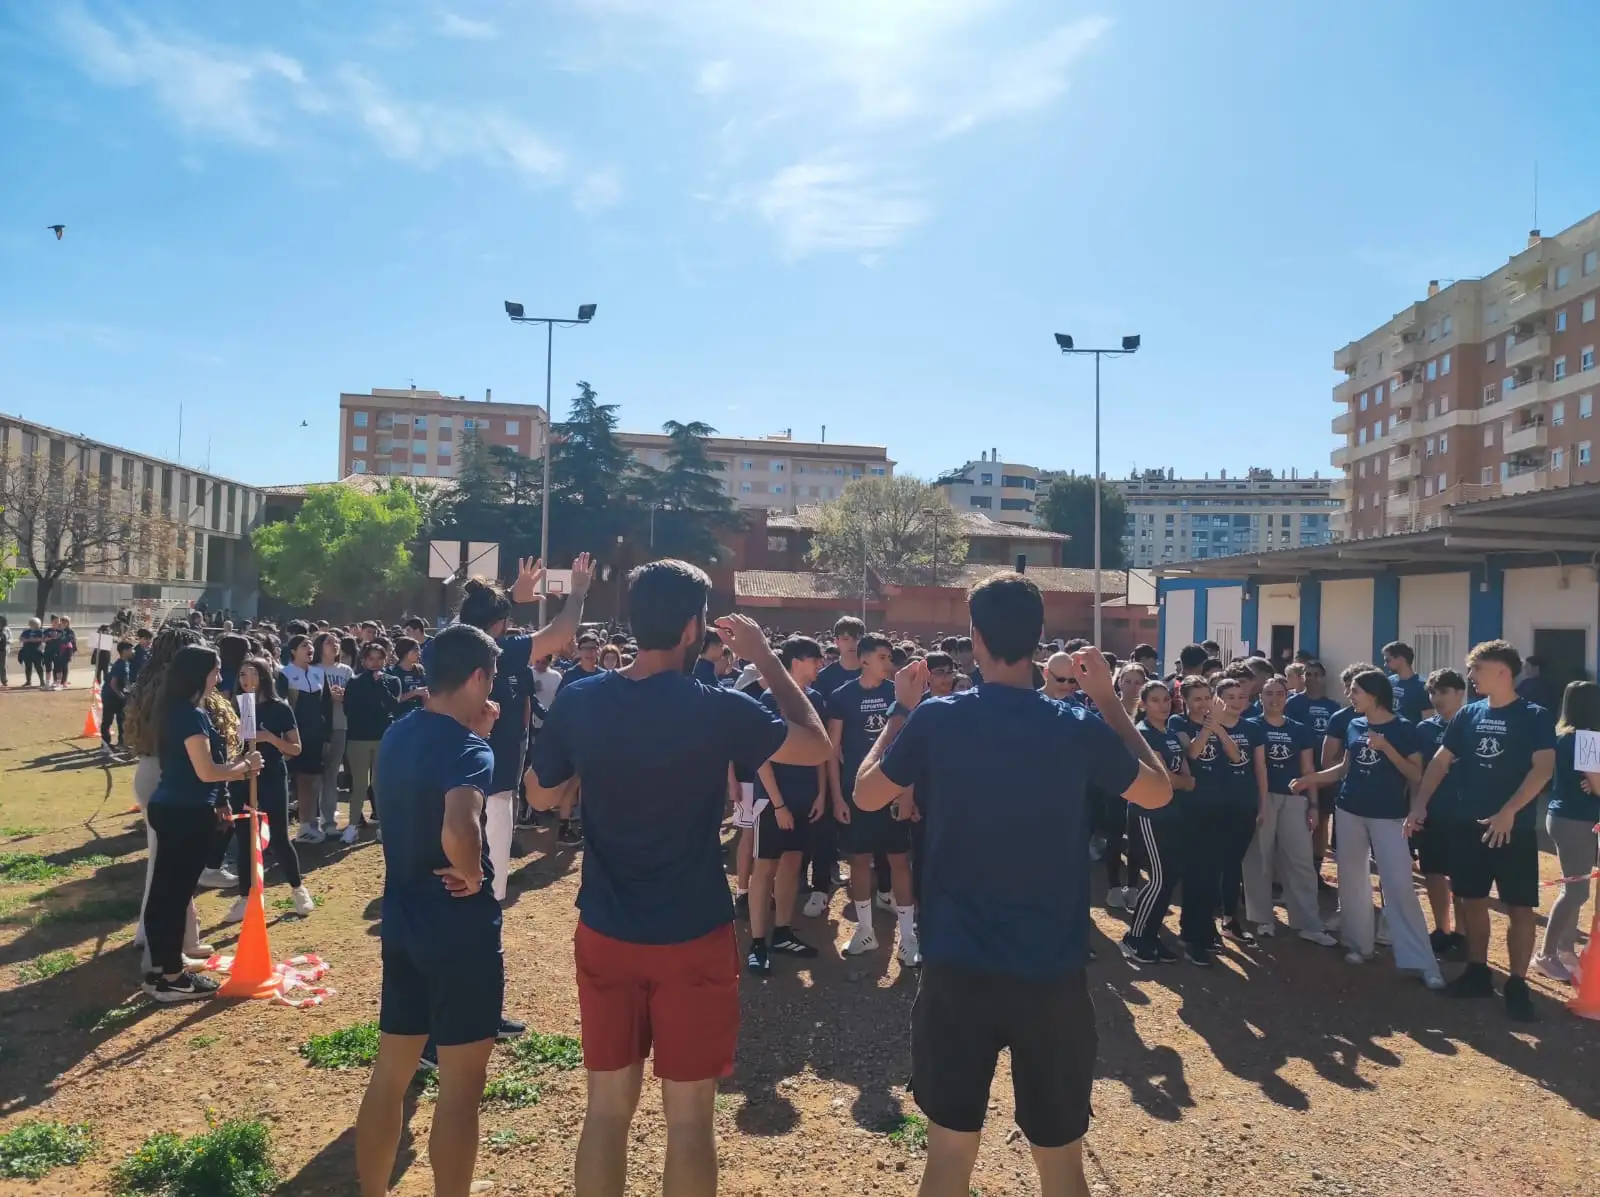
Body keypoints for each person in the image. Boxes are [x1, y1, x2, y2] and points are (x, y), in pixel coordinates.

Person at [852, 573, 1172, 1197]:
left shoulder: (937, 718)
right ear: (1038, 640)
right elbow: (1157, 791)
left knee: (948, 1159)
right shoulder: (1075, 724)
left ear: (975, 637)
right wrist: (1109, 703)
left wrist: (899, 711)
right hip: (1050, 970)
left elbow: (866, 794)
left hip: (957, 967)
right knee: (1062, 1166)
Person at [525, 561, 831, 1197]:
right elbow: (815, 744)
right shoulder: (720, 707)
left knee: (605, 1111)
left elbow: (540, 793)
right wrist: (767, 659)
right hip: (692, 933)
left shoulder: (582, 699)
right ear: (694, 627)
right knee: (689, 1122)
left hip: (606, 928)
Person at [354, 625, 505, 1197]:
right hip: (457, 927)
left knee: (390, 1074)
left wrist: (475, 734)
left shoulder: (398, 732)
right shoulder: (468, 749)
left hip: (402, 918)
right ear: (477, 677)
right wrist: (472, 872)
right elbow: (460, 824)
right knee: (461, 1090)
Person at [1407, 640, 1554, 1020]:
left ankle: (1517, 984)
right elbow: (1440, 762)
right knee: (1471, 898)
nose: (1470, 676)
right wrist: (1420, 804)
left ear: (1502, 672)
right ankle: (1477, 971)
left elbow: (1543, 769)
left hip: (1514, 828)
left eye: (1477, 669)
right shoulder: (1468, 714)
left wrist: (1509, 811)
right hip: (1467, 824)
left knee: (1519, 906)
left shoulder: (1534, 716)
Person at [455, 556, 594, 899]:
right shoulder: (500, 651)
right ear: (499, 624)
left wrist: (509, 599)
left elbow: (467, 622)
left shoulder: (448, 648)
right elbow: (561, 632)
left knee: (458, 877)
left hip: (455, 780)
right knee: (489, 886)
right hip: (495, 781)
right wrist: (578, 592)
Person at [1293, 670, 1442, 988]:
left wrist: (1387, 748)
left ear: (1374, 694)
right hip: (1349, 811)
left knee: (1399, 886)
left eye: (1356, 691)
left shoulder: (1404, 728)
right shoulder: (1354, 724)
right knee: (1351, 881)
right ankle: (1359, 944)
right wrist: (1310, 780)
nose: (1350, 696)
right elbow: (1344, 769)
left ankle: (1423, 963)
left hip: (1388, 815)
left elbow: (1415, 774)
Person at [140, 644, 262, 1001]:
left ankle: (163, 967)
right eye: (215, 671)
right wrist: (245, 767)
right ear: (198, 674)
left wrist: (224, 793)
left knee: (167, 892)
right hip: (185, 812)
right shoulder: (189, 715)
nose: (220, 678)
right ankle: (172, 978)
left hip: (176, 808)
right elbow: (206, 771)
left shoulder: (178, 710)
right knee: (174, 895)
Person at [125, 627, 223, 971]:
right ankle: (163, 952)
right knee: (169, 871)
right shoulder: (178, 698)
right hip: (172, 772)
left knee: (168, 868)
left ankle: (178, 941)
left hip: (157, 768)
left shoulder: (150, 687)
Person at [827, 632, 918, 962]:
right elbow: (831, 750)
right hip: (856, 793)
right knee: (858, 860)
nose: (888, 663)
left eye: (890, 657)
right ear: (863, 659)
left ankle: (908, 938)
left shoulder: (899, 694)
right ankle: (865, 931)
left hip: (892, 792)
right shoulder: (842, 696)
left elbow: (912, 748)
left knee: (899, 862)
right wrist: (837, 798)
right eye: (882, 656)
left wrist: (908, 794)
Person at [747, 636, 829, 973]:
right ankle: (757, 942)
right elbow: (760, 755)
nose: (820, 665)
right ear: (796, 661)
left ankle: (782, 932)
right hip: (772, 799)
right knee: (765, 867)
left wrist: (821, 793)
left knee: (793, 862)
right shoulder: (769, 699)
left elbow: (820, 748)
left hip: (805, 796)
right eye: (815, 659)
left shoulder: (815, 700)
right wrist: (778, 805)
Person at [1243, 676, 1334, 944]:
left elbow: (1308, 770)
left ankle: (1308, 923)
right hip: (1261, 798)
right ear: (1260, 697)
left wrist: (1313, 804)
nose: (1274, 699)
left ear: (1287, 697)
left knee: (1300, 860)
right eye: (1268, 693)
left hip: (1295, 799)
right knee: (1259, 858)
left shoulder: (1299, 729)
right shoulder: (1251, 726)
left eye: (1279, 694)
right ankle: (1262, 919)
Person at [224, 656, 313, 922]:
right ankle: (245, 896)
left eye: (251, 674)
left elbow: (296, 748)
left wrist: (269, 738)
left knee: (279, 836)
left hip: (272, 774)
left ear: (263, 677)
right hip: (242, 776)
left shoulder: (279, 708)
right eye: (242, 675)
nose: (246, 680)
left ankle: (298, 889)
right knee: (244, 837)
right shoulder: (236, 707)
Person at [1535, 680, 1600, 982]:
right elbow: (1597, 785)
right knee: (1576, 891)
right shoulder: (1587, 738)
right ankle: (1546, 954)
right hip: (1576, 820)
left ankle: (1563, 950)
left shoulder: (1562, 735)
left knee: (1574, 888)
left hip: (1565, 817)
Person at [1123, 679, 1192, 963]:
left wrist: (1183, 781)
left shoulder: (1172, 733)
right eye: (1155, 700)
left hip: (1172, 812)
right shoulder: (1143, 735)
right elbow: (1168, 778)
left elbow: (1185, 773)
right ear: (1143, 704)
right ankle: (1134, 938)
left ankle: (1151, 936)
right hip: (1149, 813)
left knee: (1170, 877)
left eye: (1166, 699)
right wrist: (1184, 782)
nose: (1163, 705)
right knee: (1160, 878)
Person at [1414, 669, 1468, 958]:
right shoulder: (1424, 729)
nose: (1436, 698)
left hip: (1465, 814)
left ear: (1459, 693)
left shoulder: (1475, 724)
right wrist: (1415, 808)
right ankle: (1442, 929)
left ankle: (1462, 934)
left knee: (1462, 876)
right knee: (1433, 872)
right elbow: (1417, 774)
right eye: (1432, 692)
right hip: (1432, 811)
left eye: (1443, 692)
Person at [345, 643, 402, 842]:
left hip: (383, 738)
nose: (376, 663)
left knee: (380, 784)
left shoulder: (392, 681)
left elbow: (393, 705)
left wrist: (380, 686)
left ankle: (383, 827)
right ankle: (352, 826)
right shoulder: (354, 682)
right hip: (358, 739)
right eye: (371, 658)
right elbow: (348, 709)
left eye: (380, 658)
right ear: (363, 661)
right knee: (360, 784)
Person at [282, 635, 331, 844]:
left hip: (315, 735)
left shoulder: (319, 673)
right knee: (292, 779)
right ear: (293, 651)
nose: (309, 648)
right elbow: (282, 707)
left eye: (311, 644)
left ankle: (307, 825)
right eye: (304, 645)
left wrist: (326, 735)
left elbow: (326, 706)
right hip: (293, 735)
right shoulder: (284, 673)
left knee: (311, 778)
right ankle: (286, 830)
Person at [314, 632, 354, 839]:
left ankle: (328, 821)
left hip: (340, 725)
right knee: (313, 776)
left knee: (331, 775)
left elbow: (355, 695)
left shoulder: (345, 670)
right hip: (318, 728)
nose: (335, 645)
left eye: (337, 642)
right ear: (320, 646)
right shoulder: (312, 669)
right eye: (329, 642)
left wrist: (346, 696)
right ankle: (310, 822)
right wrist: (326, 697)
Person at [100, 639, 134, 758]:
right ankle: (105, 744)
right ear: (124, 651)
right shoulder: (119, 664)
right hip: (110, 696)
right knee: (108, 720)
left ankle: (122, 743)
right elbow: (113, 683)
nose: (132, 651)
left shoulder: (126, 663)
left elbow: (124, 681)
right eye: (131, 649)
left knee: (122, 720)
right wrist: (121, 696)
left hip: (118, 696)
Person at [1383, 641, 1432, 723]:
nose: (1385, 664)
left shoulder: (1422, 686)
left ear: (1400, 659)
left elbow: (1427, 720)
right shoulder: (1388, 682)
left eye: (1388, 660)